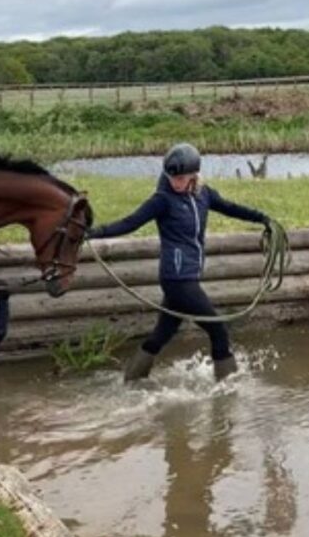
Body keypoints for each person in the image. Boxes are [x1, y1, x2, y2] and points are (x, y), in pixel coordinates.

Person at [86, 143, 271, 382]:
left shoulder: (204, 195)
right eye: (172, 177)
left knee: (161, 335)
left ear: (194, 175)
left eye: (181, 178)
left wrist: (262, 218)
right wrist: (96, 232)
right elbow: (130, 222)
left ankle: (131, 380)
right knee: (219, 331)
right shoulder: (162, 200)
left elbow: (230, 208)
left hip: (189, 276)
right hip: (177, 279)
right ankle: (228, 390)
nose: (176, 182)